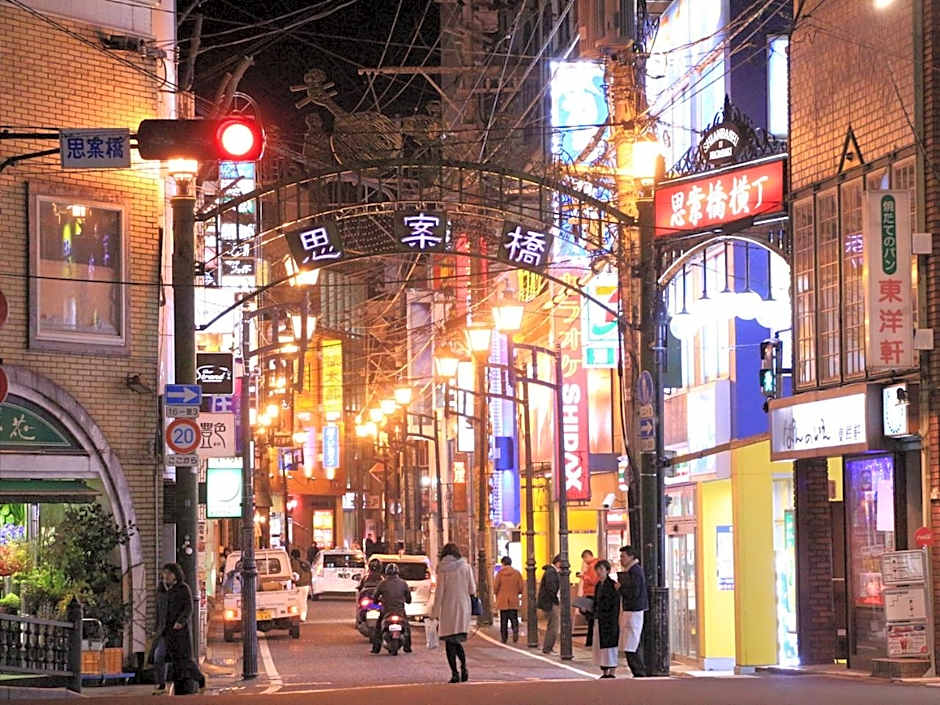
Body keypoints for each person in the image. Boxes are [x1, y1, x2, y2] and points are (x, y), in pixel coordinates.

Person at [431, 543, 476, 683]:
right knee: (457, 640)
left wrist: (434, 613)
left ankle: (455, 673)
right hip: (463, 608)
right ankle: (464, 667)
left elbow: (439, 593)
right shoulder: (466, 567)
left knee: (450, 642)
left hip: (448, 609)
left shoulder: (443, 569)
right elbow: (472, 590)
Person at [161, 563, 206, 695]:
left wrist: (180, 621)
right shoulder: (168, 590)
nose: (166, 576)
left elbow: (188, 608)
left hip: (181, 631)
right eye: (165, 573)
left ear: (176, 574)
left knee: (185, 658)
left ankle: (200, 679)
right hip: (169, 630)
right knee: (174, 659)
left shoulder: (183, 588)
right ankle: (178, 687)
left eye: (169, 573)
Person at [618, 546, 648, 677]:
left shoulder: (635, 571)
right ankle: (638, 671)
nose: (621, 559)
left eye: (623, 556)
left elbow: (634, 592)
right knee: (630, 643)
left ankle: (639, 671)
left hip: (634, 610)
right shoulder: (632, 570)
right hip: (631, 610)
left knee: (632, 643)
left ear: (631, 556)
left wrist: (621, 588)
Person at [371, 563, 412, 653]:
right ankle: (407, 647)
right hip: (400, 611)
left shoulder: (382, 583)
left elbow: (375, 597)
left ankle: (376, 648)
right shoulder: (403, 583)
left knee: (378, 628)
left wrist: (376, 602)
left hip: (386, 611)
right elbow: (409, 599)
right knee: (407, 627)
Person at [592, 560, 620, 678]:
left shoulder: (612, 585)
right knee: (600, 644)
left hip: (610, 619)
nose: (599, 572)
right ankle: (604, 669)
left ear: (607, 571)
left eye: (601, 569)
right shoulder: (598, 585)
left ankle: (612, 670)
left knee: (610, 645)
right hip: (600, 618)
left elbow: (614, 604)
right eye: (597, 569)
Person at [493, 556, 523, 643]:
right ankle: (515, 629)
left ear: (503, 563)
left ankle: (504, 637)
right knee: (514, 617)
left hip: (502, 600)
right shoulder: (517, 573)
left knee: (504, 620)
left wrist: (497, 594)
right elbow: (521, 587)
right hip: (513, 599)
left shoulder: (500, 574)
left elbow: (495, 587)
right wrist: (517, 592)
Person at [537, 555, 562, 655]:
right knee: (554, 626)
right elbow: (551, 589)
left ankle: (548, 647)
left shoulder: (551, 572)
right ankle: (548, 648)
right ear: (558, 562)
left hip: (549, 602)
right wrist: (556, 600)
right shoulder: (551, 573)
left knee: (552, 625)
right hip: (551, 602)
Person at [150, 577, 169, 695]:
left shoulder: (177, 594)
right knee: (159, 657)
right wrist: (155, 630)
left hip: (174, 632)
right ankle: (161, 683)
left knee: (162, 657)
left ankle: (162, 683)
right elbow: (158, 615)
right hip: (163, 632)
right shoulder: (160, 597)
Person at [579, 549, 599, 647]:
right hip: (589, 594)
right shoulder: (592, 565)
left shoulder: (593, 566)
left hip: (591, 594)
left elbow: (593, 580)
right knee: (589, 618)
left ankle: (590, 641)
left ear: (588, 556)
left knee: (590, 619)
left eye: (585, 558)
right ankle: (589, 641)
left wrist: (584, 577)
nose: (585, 561)